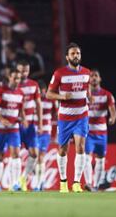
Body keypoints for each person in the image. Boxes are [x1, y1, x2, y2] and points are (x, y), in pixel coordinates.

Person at [46, 42, 92, 193]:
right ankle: (63, 182)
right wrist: (62, 96)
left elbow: (88, 92)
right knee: (62, 149)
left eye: (78, 53)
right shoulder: (59, 74)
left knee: (80, 147)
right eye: (73, 53)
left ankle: (77, 182)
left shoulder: (87, 73)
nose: (76, 56)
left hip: (81, 116)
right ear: (67, 57)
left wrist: (89, 98)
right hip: (65, 117)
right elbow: (48, 94)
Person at [0, 69, 27, 191]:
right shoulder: (1, 91)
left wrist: (24, 118)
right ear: (9, 77)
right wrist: (1, 119)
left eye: (19, 78)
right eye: (15, 78)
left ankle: (15, 183)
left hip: (13, 128)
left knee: (16, 154)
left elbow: (21, 109)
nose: (17, 81)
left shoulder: (21, 93)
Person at [83, 69, 116, 192]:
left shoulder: (107, 95)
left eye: (95, 76)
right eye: (91, 76)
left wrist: (112, 118)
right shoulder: (84, 94)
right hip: (88, 132)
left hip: (101, 133)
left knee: (100, 159)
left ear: (100, 79)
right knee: (86, 157)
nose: (93, 78)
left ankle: (96, 186)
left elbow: (113, 111)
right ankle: (88, 183)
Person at [16, 60, 43, 192]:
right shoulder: (13, 86)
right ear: (16, 70)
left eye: (26, 71)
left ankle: (23, 179)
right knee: (13, 154)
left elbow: (38, 104)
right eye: (21, 71)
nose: (23, 73)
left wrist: (40, 123)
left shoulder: (34, 85)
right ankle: (15, 182)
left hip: (30, 125)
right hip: (15, 124)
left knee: (34, 154)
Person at [33, 81, 57, 191]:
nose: (42, 93)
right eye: (39, 91)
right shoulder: (33, 100)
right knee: (34, 157)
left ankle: (39, 183)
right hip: (34, 132)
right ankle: (39, 180)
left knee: (41, 157)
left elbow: (57, 116)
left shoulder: (51, 100)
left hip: (46, 131)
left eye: (43, 90)